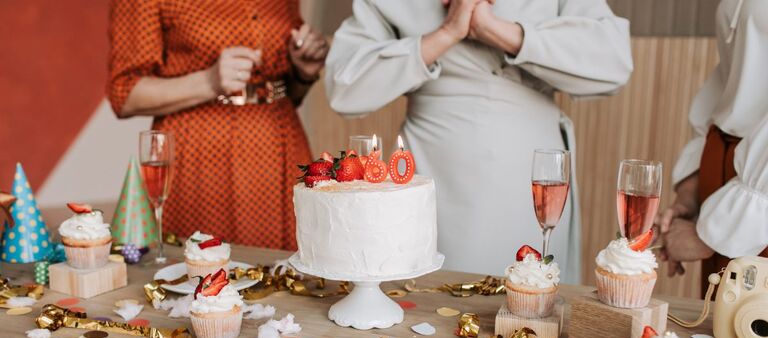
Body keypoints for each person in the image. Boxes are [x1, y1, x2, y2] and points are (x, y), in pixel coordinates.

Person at [325, 0, 633, 279]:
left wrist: (497, 31)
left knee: (530, 303)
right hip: (435, 168)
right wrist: (446, 33)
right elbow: (344, 88)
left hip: (534, 170)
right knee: (431, 303)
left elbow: (614, 63)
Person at [107, 0, 328, 250]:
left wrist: (303, 71)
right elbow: (123, 95)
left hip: (280, 148)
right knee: (206, 271)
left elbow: (289, 92)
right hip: (203, 155)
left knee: (289, 274)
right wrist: (208, 82)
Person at [658, 0, 768, 296]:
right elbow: (735, 77)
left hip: (757, 197)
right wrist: (692, 189)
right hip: (727, 176)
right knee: (721, 329)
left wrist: (713, 232)